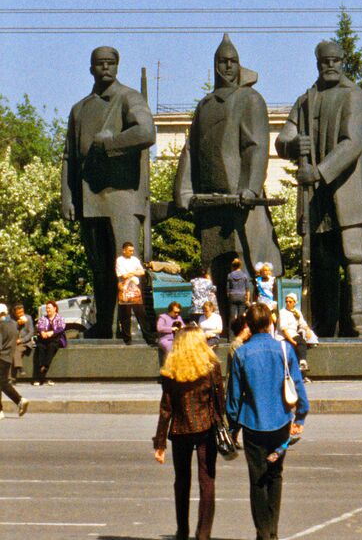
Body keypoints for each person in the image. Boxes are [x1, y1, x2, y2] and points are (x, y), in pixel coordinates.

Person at [172, 36, 282, 317]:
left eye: (233, 61)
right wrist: (183, 190)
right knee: (215, 266)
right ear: (215, 65)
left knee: (248, 264)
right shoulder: (205, 105)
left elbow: (256, 146)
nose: (228, 66)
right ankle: (218, 323)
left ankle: (253, 322)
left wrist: (251, 188)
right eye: (223, 61)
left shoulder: (250, 99)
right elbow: (190, 148)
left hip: (241, 201)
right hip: (209, 203)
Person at [275, 40, 362, 337]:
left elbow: (353, 143)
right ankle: (324, 324)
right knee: (321, 264)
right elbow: (283, 138)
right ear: (317, 63)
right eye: (324, 61)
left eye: (335, 60)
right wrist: (292, 144)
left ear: (342, 61)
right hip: (317, 199)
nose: (329, 65)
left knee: (355, 256)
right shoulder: (307, 100)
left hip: (349, 192)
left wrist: (318, 171)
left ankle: (358, 320)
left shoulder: (354, 96)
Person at [62, 46, 156, 340]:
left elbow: (147, 133)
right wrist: (67, 196)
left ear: (117, 66)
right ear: (91, 68)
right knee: (100, 270)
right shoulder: (80, 109)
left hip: (123, 199)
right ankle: (106, 326)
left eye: (110, 63)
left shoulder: (129, 98)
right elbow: (69, 158)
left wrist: (111, 143)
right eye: (99, 64)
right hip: (90, 200)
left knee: (126, 270)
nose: (105, 68)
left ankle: (133, 329)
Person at [226, 302, 308, 540]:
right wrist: (300, 416)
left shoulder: (241, 353)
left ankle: (262, 531)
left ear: (248, 326)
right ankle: (273, 529)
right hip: (281, 422)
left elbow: (234, 396)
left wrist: (232, 428)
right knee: (275, 474)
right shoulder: (284, 350)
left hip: (252, 423)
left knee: (257, 479)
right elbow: (298, 386)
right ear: (271, 323)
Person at [153, 327, 226, 540]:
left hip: (180, 429)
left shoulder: (171, 370)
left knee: (182, 481)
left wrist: (160, 443)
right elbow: (219, 400)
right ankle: (203, 533)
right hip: (206, 427)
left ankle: (182, 530)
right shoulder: (211, 367)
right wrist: (225, 427)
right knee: (207, 480)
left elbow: (166, 408)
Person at [0, 305, 28, 418]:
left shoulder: (1, 326)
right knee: (2, 383)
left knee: (3, 383)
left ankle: (19, 400)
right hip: (8, 357)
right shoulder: (13, 324)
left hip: (1, 356)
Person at [116, 241, 146, 345]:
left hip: (135, 288)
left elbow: (142, 272)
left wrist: (132, 273)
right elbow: (123, 276)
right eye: (129, 251)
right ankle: (127, 339)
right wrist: (133, 273)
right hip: (125, 289)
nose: (131, 252)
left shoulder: (135, 260)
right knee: (125, 315)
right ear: (124, 250)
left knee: (141, 313)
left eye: (132, 251)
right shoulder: (119, 260)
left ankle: (148, 336)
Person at [32, 301, 67, 386]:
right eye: (47, 308)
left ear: (55, 308)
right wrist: (42, 332)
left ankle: (43, 368)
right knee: (40, 347)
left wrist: (52, 332)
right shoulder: (43, 318)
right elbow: (40, 327)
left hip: (56, 339)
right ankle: (42, 367)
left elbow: (61, 328)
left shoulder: (60, 318)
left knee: (52, 346)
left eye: (49, 308)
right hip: (44, 339)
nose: (48, 310)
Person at [278, 295, 314, 374]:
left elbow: (302, 323)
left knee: (304, 341)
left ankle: (302, 369)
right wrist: (292, 342)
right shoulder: (283, 312)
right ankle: (302, 362)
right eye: (286, 301)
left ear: (294, 303)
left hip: (294, 334)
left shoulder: (297, 312)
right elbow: (284, 330)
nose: (288, 303)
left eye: (290, 302)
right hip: (286, 335)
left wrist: (307, 330)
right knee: (300, 342)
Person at [11, 304, 33, 381]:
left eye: (22, 312)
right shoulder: (11, 320)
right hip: (14, 342)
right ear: (15, 313)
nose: (21, 314)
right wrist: (17, 324)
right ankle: (13, 377)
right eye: (19, 313)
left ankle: (20, 368)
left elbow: (31, 333)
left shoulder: (28, 318)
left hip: (25, 342)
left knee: (16, 350)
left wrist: (22, 340)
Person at [225, 257, 251, 322]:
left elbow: (227, 289)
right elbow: (247, 289)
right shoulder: (244, 276)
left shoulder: (229, 275)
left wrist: (229, 297)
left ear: (232, 266)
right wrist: (247, 300)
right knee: (241, 316)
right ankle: (240, 330)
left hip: (232, 296)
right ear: (240, 266)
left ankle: (231, 332)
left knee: (232, 316)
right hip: (242, 296)